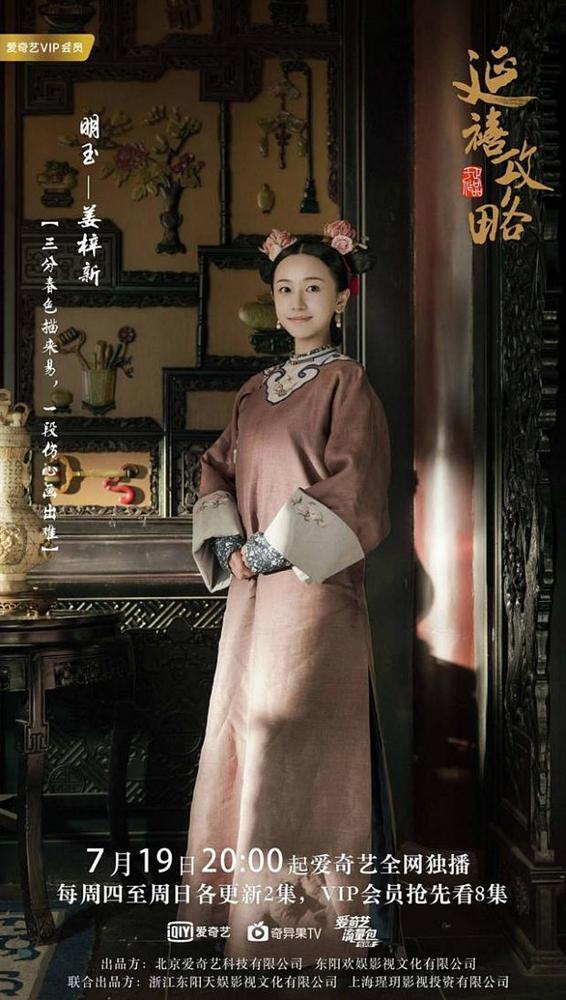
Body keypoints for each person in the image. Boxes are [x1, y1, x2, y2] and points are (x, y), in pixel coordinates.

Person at [178, 221, 405, 964]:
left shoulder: (347, 384)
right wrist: (230, 545)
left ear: (341, 299)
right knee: (244, 737)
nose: (297, 301)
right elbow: (216, 469)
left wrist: (272, 549)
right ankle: (237, 915)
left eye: (313, 288)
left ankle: (303, 931)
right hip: (250, 596)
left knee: (299, 750)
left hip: (314, 598)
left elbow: (356, 485)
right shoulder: (253, 393)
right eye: (285, 289)